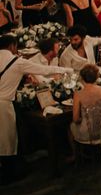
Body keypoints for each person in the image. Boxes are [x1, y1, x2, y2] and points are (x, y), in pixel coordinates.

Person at [0, 34, 72, 183]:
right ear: (12, 46)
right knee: (7, 141)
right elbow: (43, 70)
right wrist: (67, 70)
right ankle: (9, 175)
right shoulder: (17, 62)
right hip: (4, 104)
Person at [67, 64, 101, 162]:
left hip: (88, 134)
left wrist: (85, 118)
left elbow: (75, 119)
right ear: (97, 77)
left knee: (70, 128)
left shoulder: (78, 94)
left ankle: (75, 156)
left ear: (82, 78)